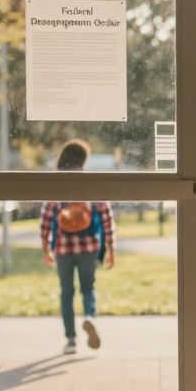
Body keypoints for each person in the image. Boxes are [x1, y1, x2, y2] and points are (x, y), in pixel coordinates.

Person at [40, 139, 115, 356]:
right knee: (88, 288)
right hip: (88, 245)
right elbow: (105, 213)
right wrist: (111, 247)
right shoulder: (90, 182)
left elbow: (46, 216)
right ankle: (89, 317)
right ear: (84, 160)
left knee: (66, 292)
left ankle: (71, 340)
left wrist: (45, 247)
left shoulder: (57, 183)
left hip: (63, 248)